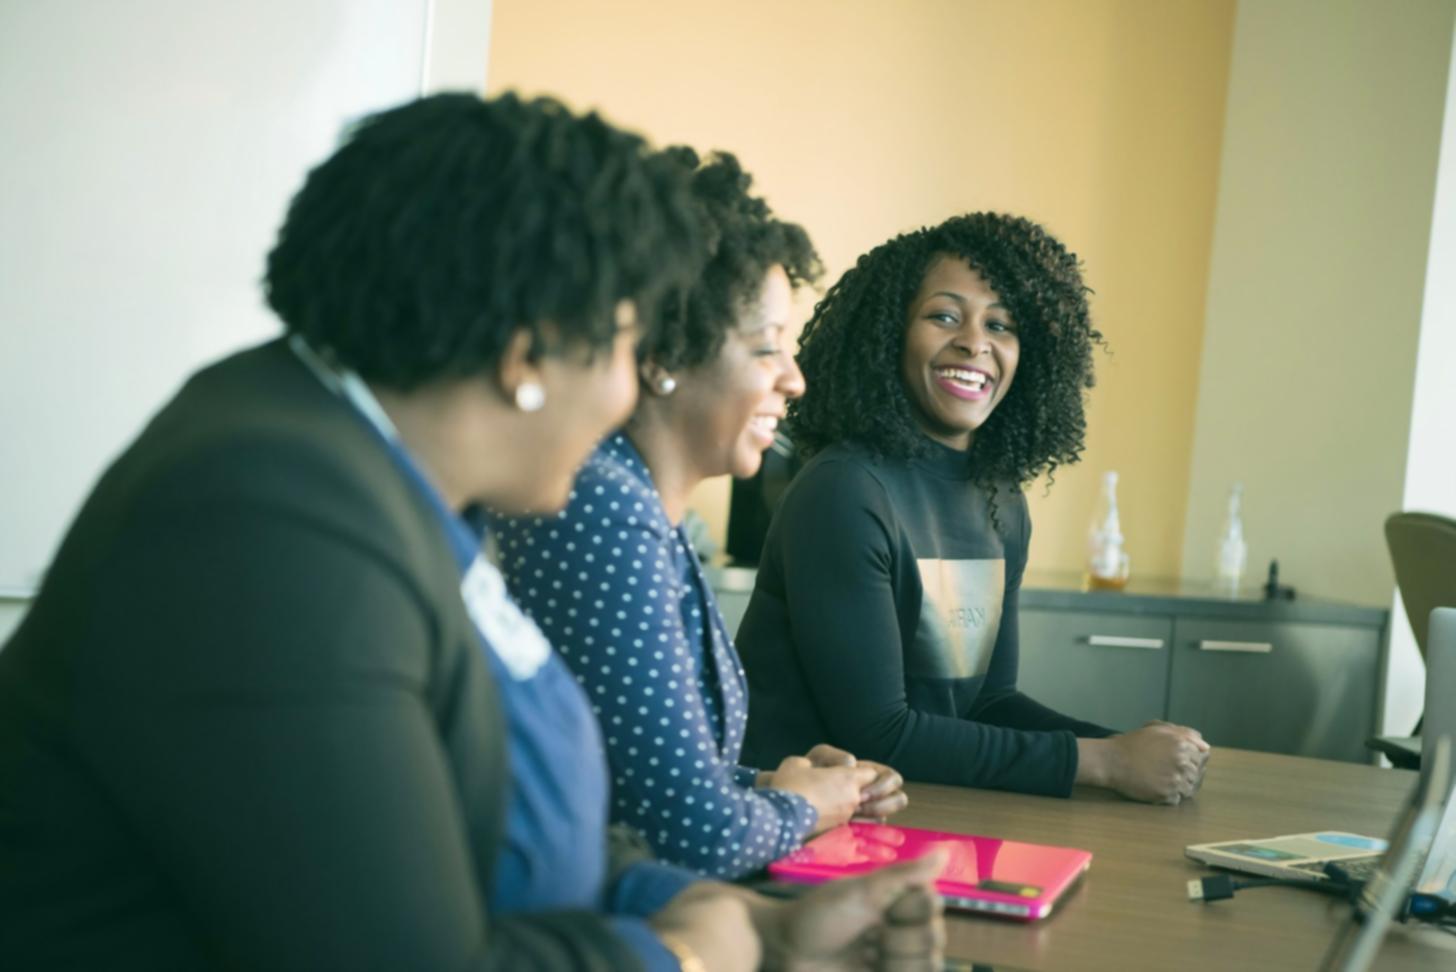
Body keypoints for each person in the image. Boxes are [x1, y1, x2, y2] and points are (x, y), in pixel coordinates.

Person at [0, 93, 945, 972]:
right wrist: (685, 955)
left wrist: (759, 925)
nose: (628, 395)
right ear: (528, 353)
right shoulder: (261, 518)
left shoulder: (378, 479)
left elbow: (495, 825)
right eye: (625, 348)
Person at [488, 149, 907, 881]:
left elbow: (638, 784)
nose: (795, 378)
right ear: (665, 354)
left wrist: (784, 788)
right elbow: (691, 836)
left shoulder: (636, 503)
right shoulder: (603, 508)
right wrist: (805, 809)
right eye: (766, 348)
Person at [736, 212, 1210, 804]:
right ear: (890, 334)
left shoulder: (1000, 499)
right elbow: (880, 732)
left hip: (928, 806)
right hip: (796, 828)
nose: (975, 342)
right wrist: (1106, 762)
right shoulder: (844, 490)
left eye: (1001, 325)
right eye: (943, 316)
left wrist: (1129, 748)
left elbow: (988, 703)